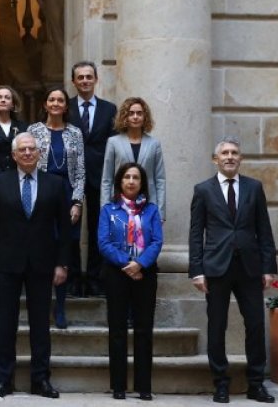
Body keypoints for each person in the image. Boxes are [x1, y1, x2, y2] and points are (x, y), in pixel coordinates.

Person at [0, 132, 69, 399]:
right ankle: (3, 380)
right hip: (6, 263)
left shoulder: (54, 184)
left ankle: (40, 379)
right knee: (5, 324)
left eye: (32, 149)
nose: (28, 153)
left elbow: (64, 229)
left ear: (39, 153)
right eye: (23, 149)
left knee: (41, 325)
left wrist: (62, 264)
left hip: (42, 264)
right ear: (14, 154)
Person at [189, 137, 278, 404]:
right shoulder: (203, 190)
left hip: (249, 268)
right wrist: (196, 270)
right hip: (216, 267)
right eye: (224, 153)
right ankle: (220, 383)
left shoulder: (254, 188)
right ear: (215, 159)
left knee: (255, 325)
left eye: (234, 153)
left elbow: (264, 229)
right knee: (217, 326)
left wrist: (268, 267)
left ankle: (256, 383)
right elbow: (196, 234)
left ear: (240, 158)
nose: (230, 156)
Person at [98, 162, 163, 401]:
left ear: (142, 183)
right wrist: (127, 263)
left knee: (144, 330)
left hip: (145, 274)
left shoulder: (152, 210)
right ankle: (118, 386)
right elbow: (103, 243)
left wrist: (140, 264)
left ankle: (144, 386)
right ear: (120, 182)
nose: (132, 181)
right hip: (117, 274)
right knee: (117, 330)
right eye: (127, 177)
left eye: (136, 177)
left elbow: (157, 241)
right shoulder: (108, 210)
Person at [28, 86, 85, 328]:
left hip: (67, 193)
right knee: (41, 248)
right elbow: (26, 163)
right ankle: (40, 304)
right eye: (51, 99)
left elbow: (81, 170)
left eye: (60, 100)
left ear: (65, 105)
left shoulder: (75, 132)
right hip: (42, 192)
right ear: (45, 104)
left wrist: (77, 202)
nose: (55, 103)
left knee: (64, 250)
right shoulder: (33, 130)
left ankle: (60, 307)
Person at [68, 61, 117, 298]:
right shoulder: (65, 108)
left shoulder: (110, 109)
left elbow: (114, 143)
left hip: (101, 176)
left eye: (89, 77)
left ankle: (96, 279)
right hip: (70, 176)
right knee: (71, 229)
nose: (85, 81)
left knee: (99, 228)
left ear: (96, 79)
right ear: (74, 81)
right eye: (80, 77)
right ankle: (74, 278)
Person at [101, 97, 167, 221]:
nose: (135, 117)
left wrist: (161, 211)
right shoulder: (113, 142)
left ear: (145, 117)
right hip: (119, 203)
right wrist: (105, 209)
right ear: (125, 117)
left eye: (139, 113)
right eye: (131, 113)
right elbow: (107, 178)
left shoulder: (154, 144)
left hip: (148, 203)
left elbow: (160, 179)